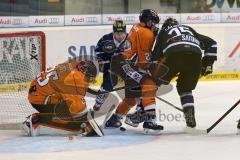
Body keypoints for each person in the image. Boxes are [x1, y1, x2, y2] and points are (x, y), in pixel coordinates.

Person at [151, 17, 217, 128]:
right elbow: (212, 43)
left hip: (173, 55)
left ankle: (143, 111)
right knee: (185, 89)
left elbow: (156, 55)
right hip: (195, 57)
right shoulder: (188, 29)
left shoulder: (163, 31)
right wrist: (207, 64)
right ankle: (190, 121)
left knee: (151, 84)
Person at [106, 9, 164, 134]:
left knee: (132, 97)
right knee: (149, 84)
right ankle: (150, 120)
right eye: (152, 22)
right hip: (123, 64)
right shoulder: (146, 34)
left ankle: (114, 120)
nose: (154, 25)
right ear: (146, 21)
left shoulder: (137, 25)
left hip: (119, 63)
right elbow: (144, 60)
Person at [23, 59, 104, 137]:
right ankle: (36, 120)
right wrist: (86, 122)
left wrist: (95, 92)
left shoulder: (72, 64)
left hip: (37, 91)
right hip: (40, 100)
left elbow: (65, 84)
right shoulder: (75, 80)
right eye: (89, 78)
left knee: (69, 106)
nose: (89, 81)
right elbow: (78, 110)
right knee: (75, 124)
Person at [93, 20, 128, 111]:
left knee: (136, 84)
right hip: (110, 66)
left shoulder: (130, 38)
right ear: (113, 32)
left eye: (122, 33)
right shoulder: (105, 39)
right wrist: (102, 60)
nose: (120, 36)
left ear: (125, 31)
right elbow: (97, 51)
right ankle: (98, 102)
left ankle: (140, 106)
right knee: (107, 85)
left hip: (127, 67)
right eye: (117, 33)